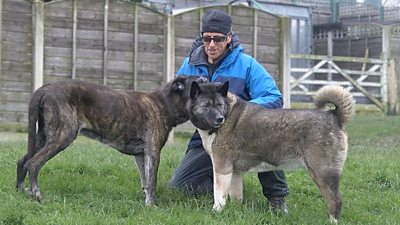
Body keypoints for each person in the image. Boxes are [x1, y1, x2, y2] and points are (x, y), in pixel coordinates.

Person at [169, 10, 289, 213]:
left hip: (245, 135)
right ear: (202, 38)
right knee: (180, 186)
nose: (212, 44)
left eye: (218, 39)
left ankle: (277, 198)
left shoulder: (247, 64)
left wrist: (238, 111)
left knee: (268, 136)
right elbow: (175, 97)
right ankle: (223, 187)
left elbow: (274, 98)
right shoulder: (189, 65)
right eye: (207, 39)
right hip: (205, 139)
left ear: (229, 38)